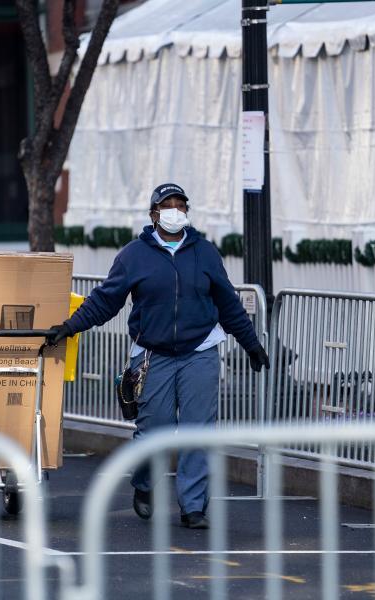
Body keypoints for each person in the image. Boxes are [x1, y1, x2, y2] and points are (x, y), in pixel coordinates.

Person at [47, 182, 270, 530]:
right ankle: (145, 482)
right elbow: (105, 300)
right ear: (153, 214)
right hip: (152, 355)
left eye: (180, 205)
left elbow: (228, 303)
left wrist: (251, 343)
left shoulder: (205, 253)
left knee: (198, 431)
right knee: (155, 429)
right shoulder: (134, 256)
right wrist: (70, 326)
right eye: (167, 206)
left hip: (200, 351)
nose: (174, 211)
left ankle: (193, 507)